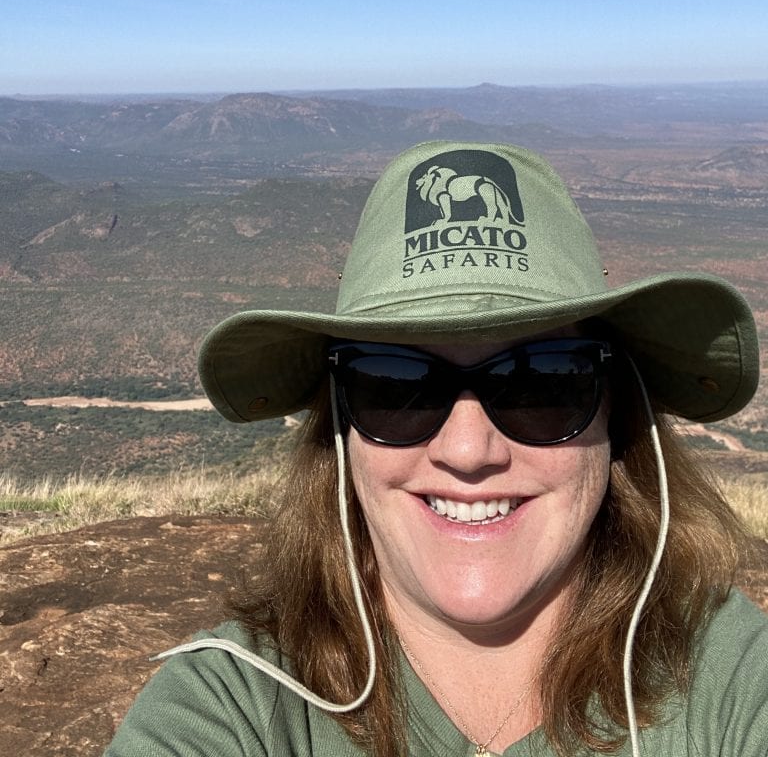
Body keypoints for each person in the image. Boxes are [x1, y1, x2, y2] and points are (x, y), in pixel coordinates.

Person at [106, 140, 767, 757]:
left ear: (616, 409)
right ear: (339, 425)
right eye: (397, 386)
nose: (469, 448)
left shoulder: (728, 679)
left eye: (542, 382)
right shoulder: (236, 706)